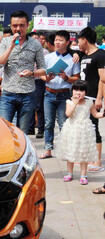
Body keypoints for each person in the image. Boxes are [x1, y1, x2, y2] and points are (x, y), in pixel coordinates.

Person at [0, 10, 46, 134]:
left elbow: (43, 69)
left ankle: (19, 153)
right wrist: (11, 46)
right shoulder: (5, 41)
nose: (18, 28)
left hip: (28, 94)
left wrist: (32, 73)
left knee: (22, 132)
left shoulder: (36, 44)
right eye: (14, 26)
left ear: (27, 25)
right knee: (3, 129)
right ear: (10, 25)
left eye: (21, 25)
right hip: (8, 93)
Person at [39, 30, 81, 159]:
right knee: (48, 123)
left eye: (61, 40)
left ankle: (65, 150)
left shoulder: (72, 59)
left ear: (67, 42)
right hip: (49, 93)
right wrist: (46, 78)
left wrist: (66, 78)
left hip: (64, 94)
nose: (57, 42)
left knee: (64, 123)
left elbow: (77, 78)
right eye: (56, 40)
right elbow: (41, 74)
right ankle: (48, 149)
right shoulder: (47, 57)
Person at [55, 80, 103, 185]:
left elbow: (95, 114)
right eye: (76, 90)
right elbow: (68, 114)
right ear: (72, 91)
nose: (78, 92)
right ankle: (69, 173)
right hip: (72, 129)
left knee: (83, 153)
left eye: (81, 90)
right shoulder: (69, 102)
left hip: (85, 130)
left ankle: (83, 175)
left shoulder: (89, 102)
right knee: (70, 151)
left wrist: (102, 114)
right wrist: (75, 103)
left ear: (86, 92)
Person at [77, 27, 105, 174]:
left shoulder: (100, 55)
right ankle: (88, 157)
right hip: (83, 98)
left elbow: (103, 79)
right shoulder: (84, 56)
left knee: (93, 128)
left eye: (79, 40)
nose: (77, 43)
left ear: (85, 40)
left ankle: (98, 161)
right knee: (85, 128)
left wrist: (99, 97)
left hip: (94, 98)